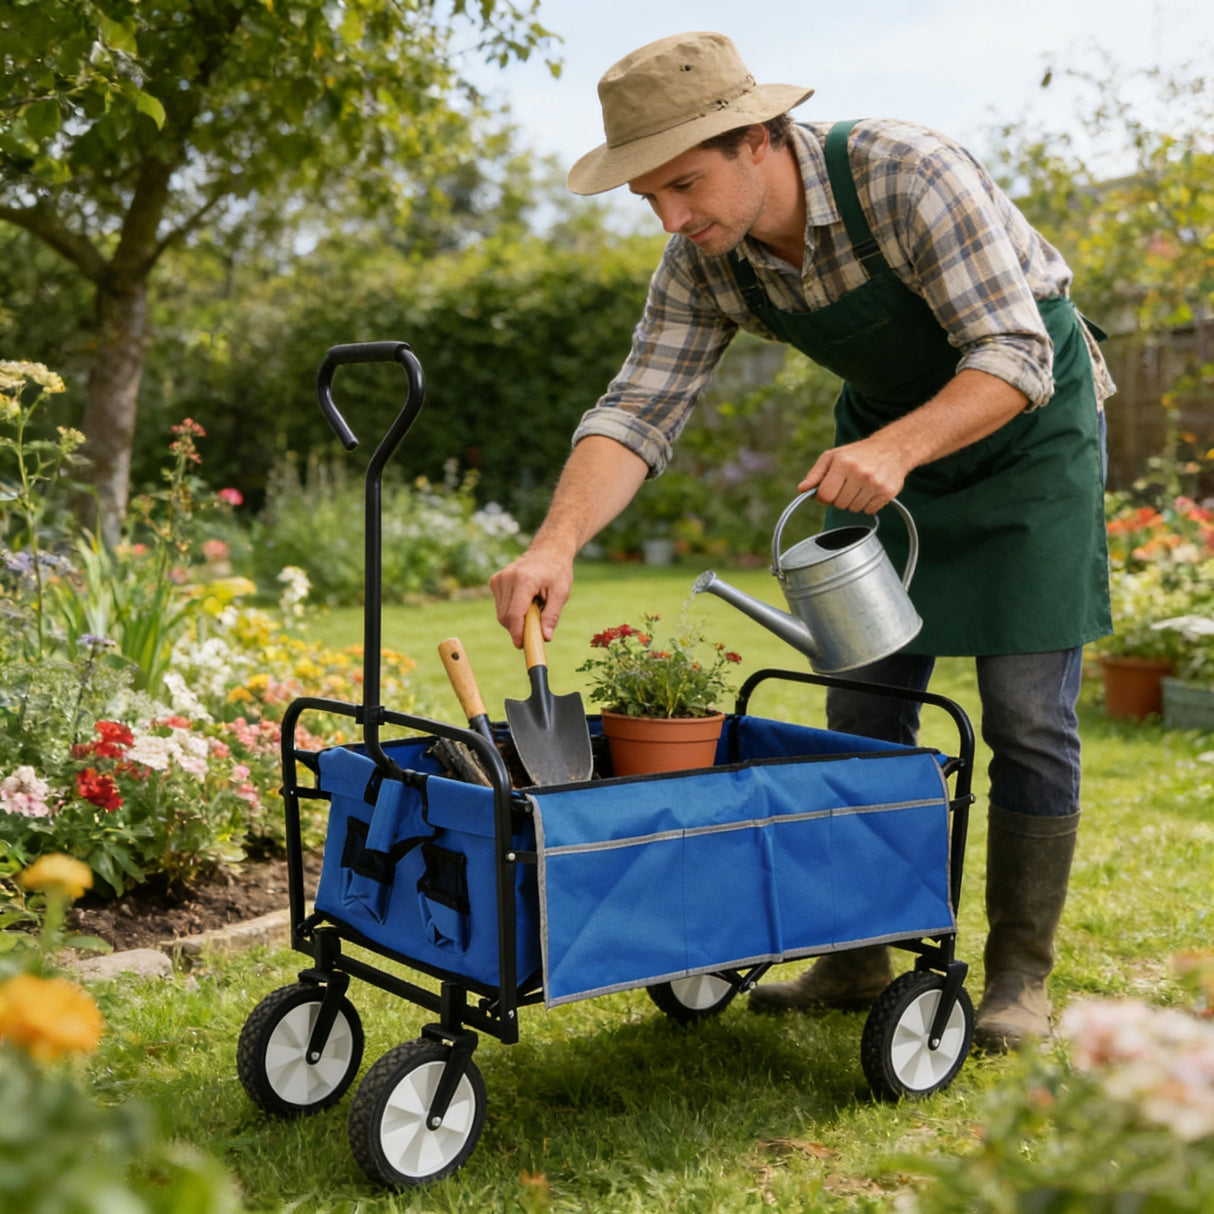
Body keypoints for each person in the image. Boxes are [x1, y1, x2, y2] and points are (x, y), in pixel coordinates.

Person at [489, 31, 1113, 1050]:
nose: (671, 217)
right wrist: (556, 541)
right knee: (862, 708)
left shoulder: (906, 173)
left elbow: (1013, 351)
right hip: (881, 449)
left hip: (1021, 443)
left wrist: (900, 447)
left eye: (683, 183)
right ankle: (854, 947)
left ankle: (1015, 975)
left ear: (759, 139)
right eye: (649, 196)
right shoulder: (705, 261)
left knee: (1024, 717)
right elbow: (639, 405)